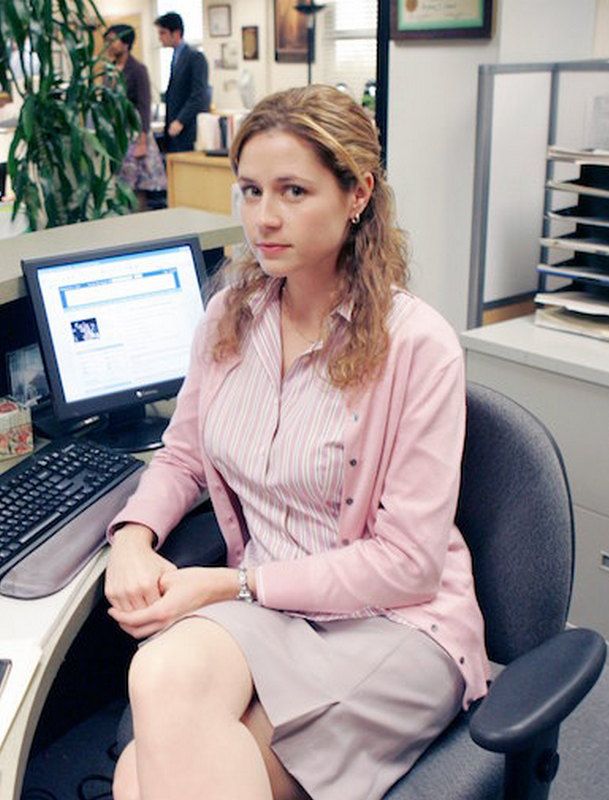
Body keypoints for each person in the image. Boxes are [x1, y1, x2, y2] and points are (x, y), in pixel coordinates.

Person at [105, 84, 490, 800]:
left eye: (292, 191)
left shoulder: (416, 345)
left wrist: (233, 584)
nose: (263, 218)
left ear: (356, 194)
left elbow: (406, 566)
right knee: (160, 676)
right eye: (249, 191)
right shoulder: (231, 316)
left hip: (393, 625)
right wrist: (131, 534)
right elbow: (185, 453)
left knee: (142, 777)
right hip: (266, 611)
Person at [103, 24, 166, 211]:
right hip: (116, 135)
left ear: (126, 43)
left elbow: (144, 105)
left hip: (135, 134)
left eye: (113, 40)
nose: (110, 45)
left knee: (137, 188)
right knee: (120, 187)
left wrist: (142, 140)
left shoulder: (138, 69)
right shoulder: (110, 69)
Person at [154, 11, 209, 153]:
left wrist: (180, 121)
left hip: (187, 129)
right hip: (173, 129)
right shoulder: (175, 57)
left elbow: (199, 95)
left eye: (163, 33)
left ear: (176, 33)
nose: (160, 38)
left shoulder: (195, 57)